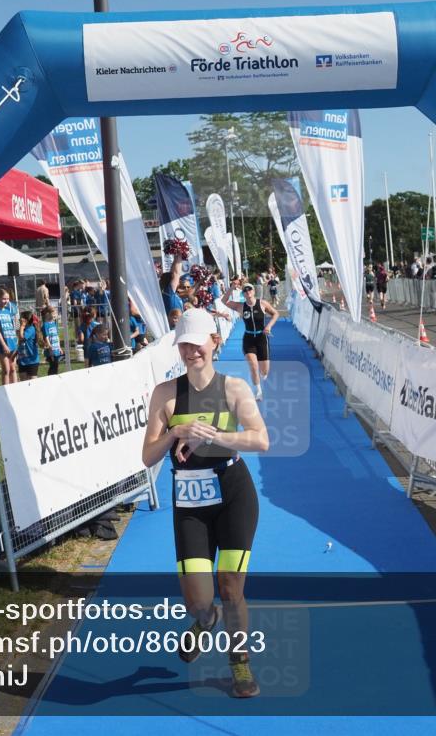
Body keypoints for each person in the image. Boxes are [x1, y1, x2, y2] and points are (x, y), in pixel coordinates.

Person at [140, 309, 269, 698]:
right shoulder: (166, 394)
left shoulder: (233, 389)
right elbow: (147, 456)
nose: (191, 350)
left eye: (198, 342)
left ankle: (240, 664)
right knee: (198, 600)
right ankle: (204, 620)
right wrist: (176, 430)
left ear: (214, 342)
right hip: (189, 504)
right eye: (184, 343)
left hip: (233, 495)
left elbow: (260, 439)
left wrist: (214, 436)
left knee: (231, 588)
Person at [221, 282, 278, 401]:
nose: (248, 292)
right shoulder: (240, 306)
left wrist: (269, 326)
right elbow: (224, 301)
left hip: (262, 338)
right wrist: (231, 287)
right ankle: (258, 391)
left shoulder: (262, 303)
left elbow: (275, 314)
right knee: (253, 365)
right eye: (245, 290)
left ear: (253, 291)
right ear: (243, 294)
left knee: (264, 371)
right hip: (248, 338)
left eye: (250, 289)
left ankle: (263, 374)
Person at [0, 288, 19, 385]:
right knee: (6, 369)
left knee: (13, 368)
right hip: (3, 344)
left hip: (12, 342)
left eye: (7, 299)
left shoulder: (8, 311)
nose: (6, 301)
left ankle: (15, 388)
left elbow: (13, 327)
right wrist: (4, 345)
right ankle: (5, 390)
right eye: (3, 299)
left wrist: (16, 340)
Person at [17, 310, 42, 381]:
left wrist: (22, 326)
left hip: (32, 361)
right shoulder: (25, 329)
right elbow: (20, 344)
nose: (19, 319)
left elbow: (22, 337)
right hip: (22, 360)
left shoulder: (31, 329)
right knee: (23, 380)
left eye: (21, 318)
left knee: (32, 380)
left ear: (26, 320)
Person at [41, 306, 64, 375]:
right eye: (53, 313)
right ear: (48, 314)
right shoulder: (45, 325)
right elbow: (46, 337)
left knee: (56, 365)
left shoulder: (54, 323)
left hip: (56, 348)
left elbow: (57, 335)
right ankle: (50, 379)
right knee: (53, 365)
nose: (55, 314)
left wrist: (59, 347)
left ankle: (54, 378)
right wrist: (50, 347)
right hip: (51, 349)